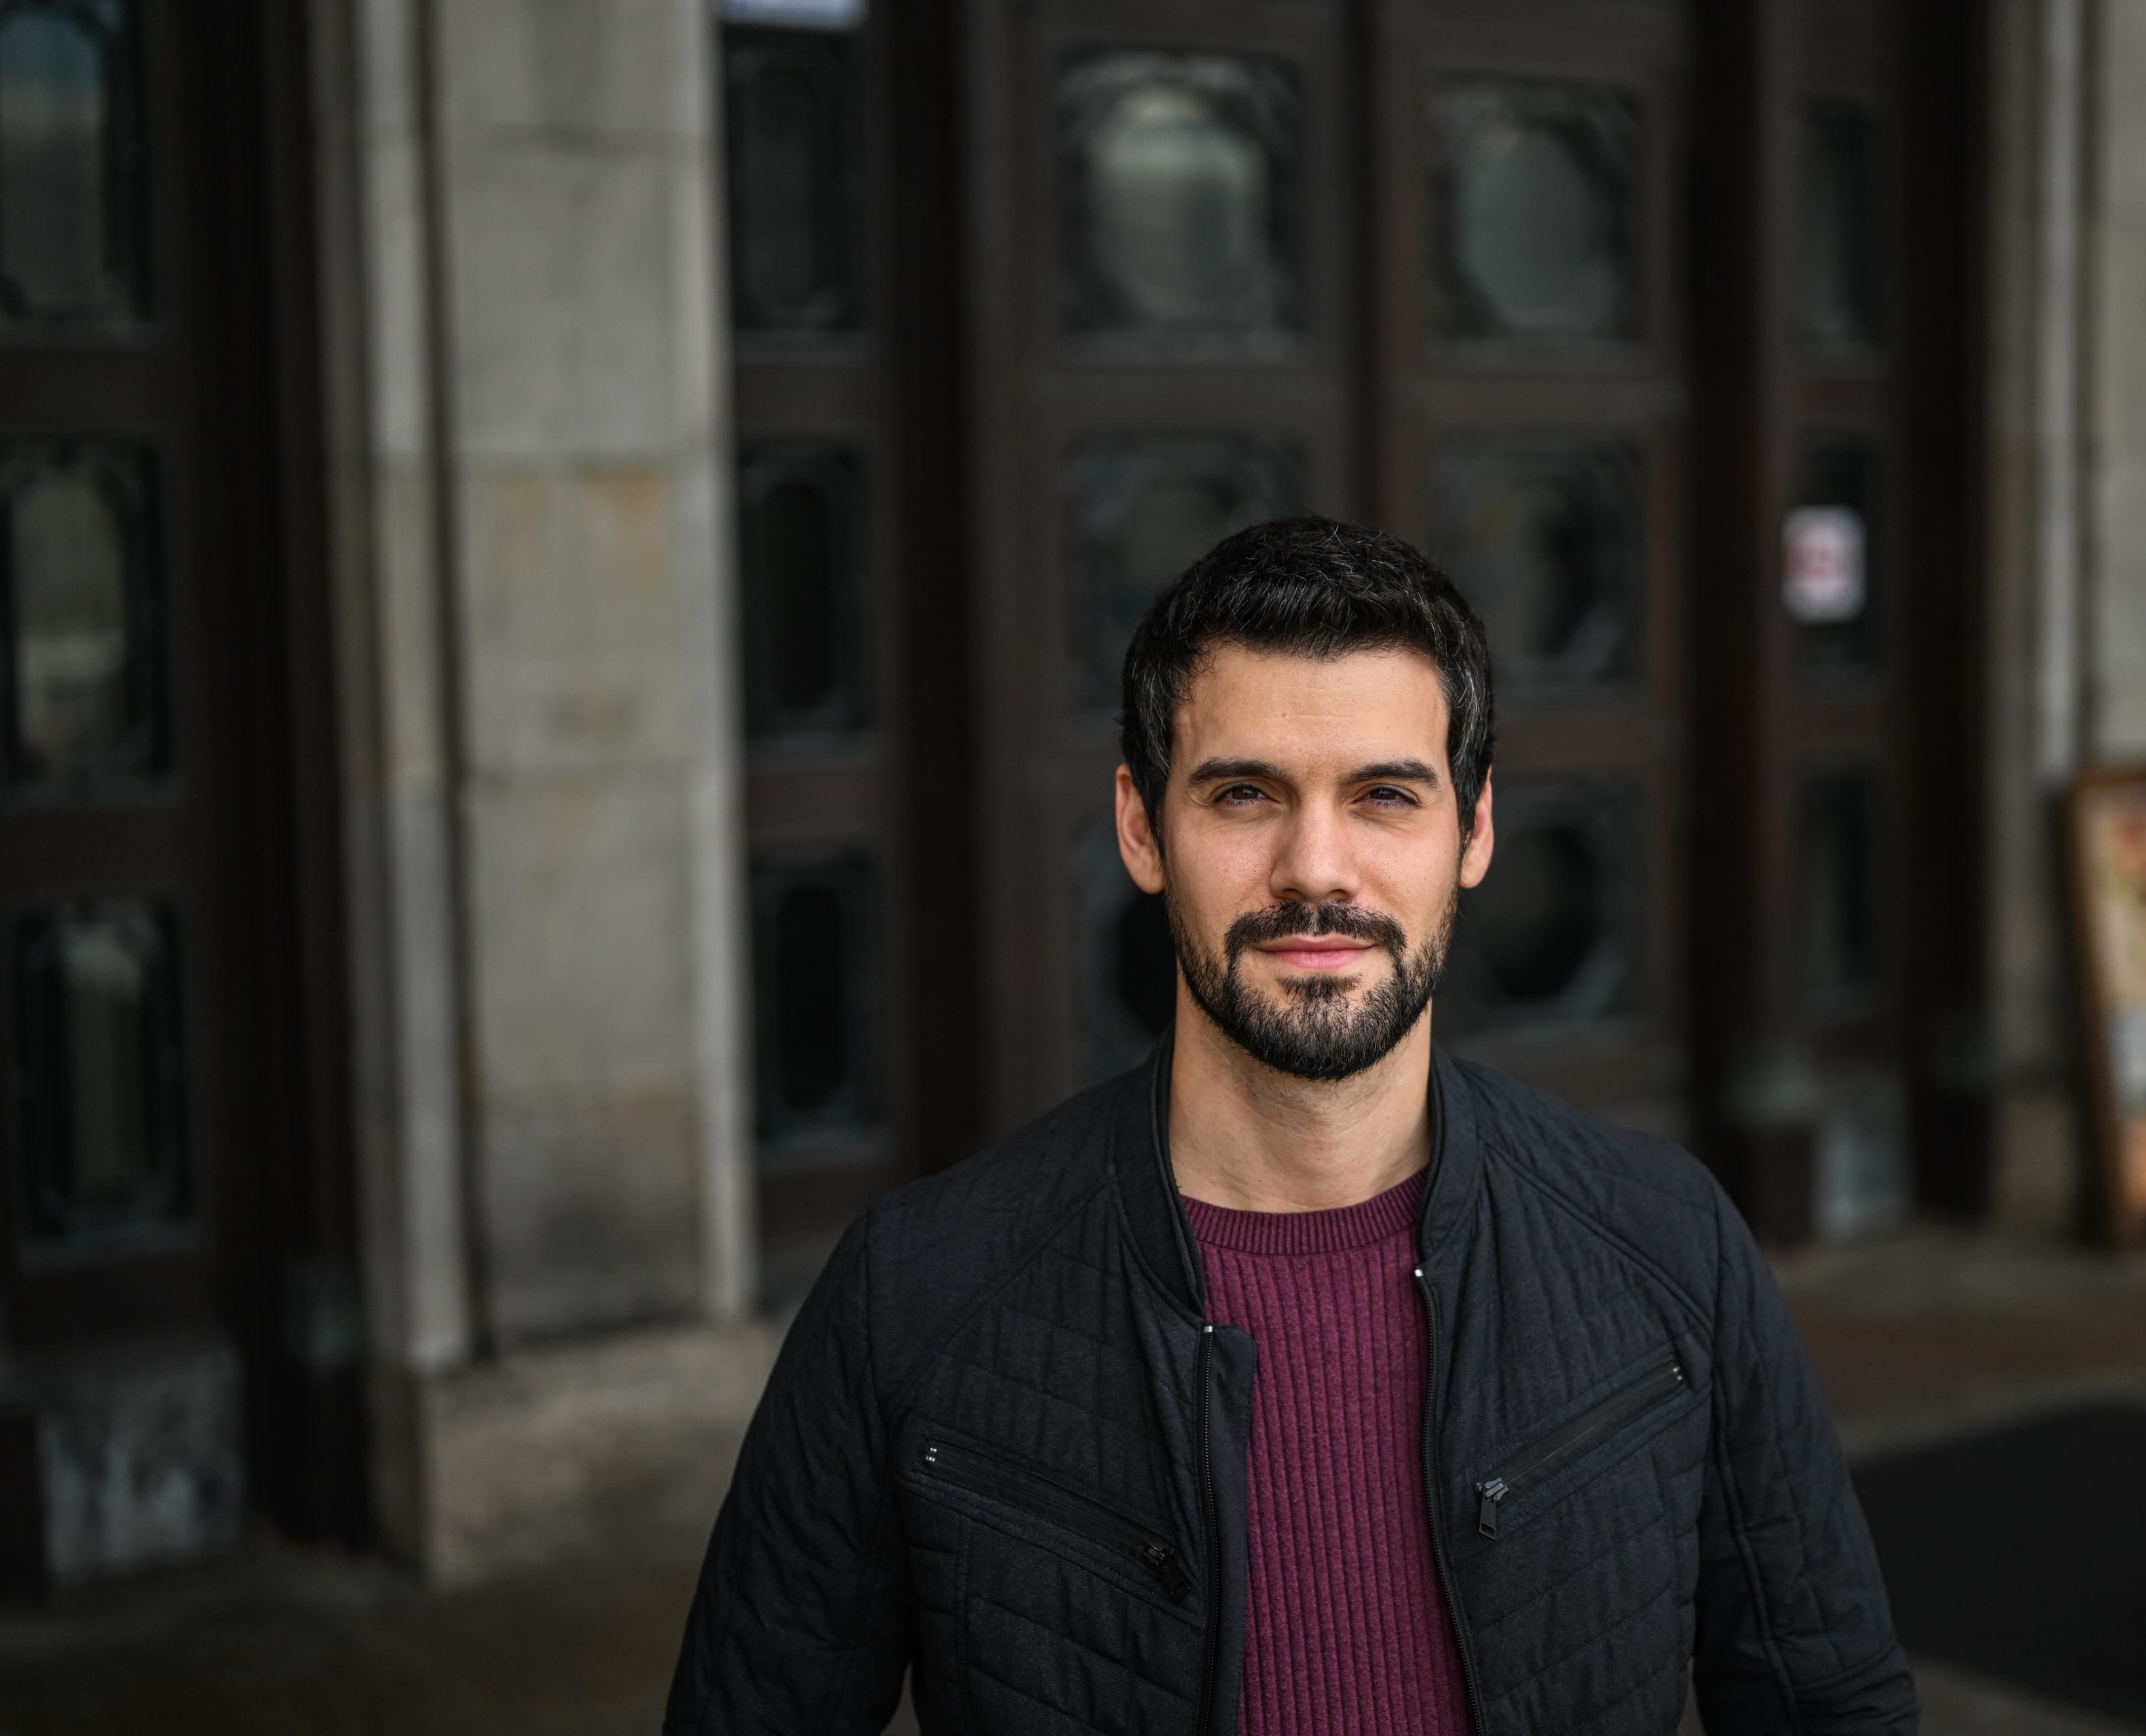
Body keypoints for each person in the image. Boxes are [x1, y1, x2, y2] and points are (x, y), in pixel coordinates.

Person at [666, 517, 1917, 1735]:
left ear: (1472, 831)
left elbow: (1835, 1704)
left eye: (1384, 795)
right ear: (1141, 828)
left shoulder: (1670, 1245)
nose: (1316, 869)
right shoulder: (912, 1297)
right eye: (1246, 794)